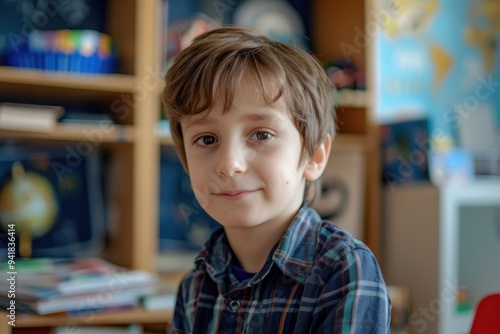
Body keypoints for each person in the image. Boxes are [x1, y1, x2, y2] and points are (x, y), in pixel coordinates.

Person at [162, 26, 391, 333]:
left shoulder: (344, 269)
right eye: (206, 139)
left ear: (314, 157)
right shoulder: (195, 285)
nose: (230, 165)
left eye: (261, 135)